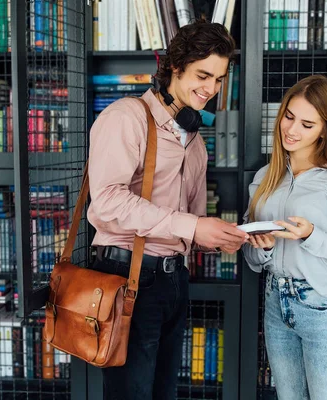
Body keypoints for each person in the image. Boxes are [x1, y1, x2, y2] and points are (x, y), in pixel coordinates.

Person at [86, 20, 248, 400]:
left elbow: (187, 227)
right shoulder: (126, 117)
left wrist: (222, 237)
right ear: (176, 66)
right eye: (203, 75)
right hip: (128, 277)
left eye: (219, 79)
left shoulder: (195, 144)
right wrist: (193, 226)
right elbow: (106, 200)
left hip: (174, 282)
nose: (211, 89)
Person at [242, 75, 327, 400]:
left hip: (322, 309)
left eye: (307, 123)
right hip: (275, 303)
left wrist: (311, 236)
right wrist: (262, 248)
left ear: (325, 129)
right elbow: (253, 262)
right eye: (289, 116)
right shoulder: (265, 177)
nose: (291, 129)